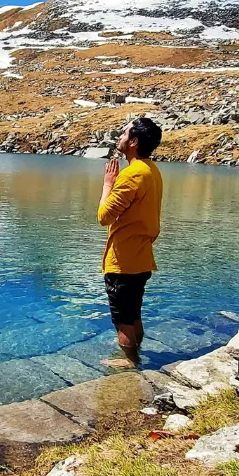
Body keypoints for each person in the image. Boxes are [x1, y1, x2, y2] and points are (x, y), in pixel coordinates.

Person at [96, 117, 163, 369]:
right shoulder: (151, 170)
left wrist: (107, 185)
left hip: (123, 260)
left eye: (124, 134)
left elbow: (104, 217)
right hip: (142, 257)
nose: (120, 138)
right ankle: (138, 355)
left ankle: (129, 362)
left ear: (133, 142)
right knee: (134, 313)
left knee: (122, 318)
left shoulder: (132, 175)